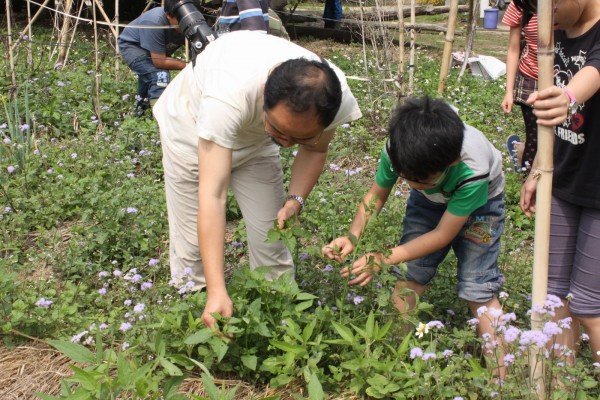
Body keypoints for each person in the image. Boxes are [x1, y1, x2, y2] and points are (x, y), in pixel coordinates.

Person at [153, 31, 362, 329]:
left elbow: (315, 148)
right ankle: (199, 311)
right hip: (190, 133)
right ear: (265, 93)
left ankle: (279, 321)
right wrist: (217, 290)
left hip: (257, 141)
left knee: (271, 236)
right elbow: (213, 196)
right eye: (281, 131)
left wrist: (294, 201)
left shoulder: (333, 96)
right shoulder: (228, 93)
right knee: (192, 252)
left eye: (297, 137)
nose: (287, 144)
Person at [323, 97, 506, 373]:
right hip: (428, 202)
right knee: (409, 276)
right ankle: (396, 362)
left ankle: (501, 377)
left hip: (482, 205)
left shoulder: (472, 170)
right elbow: (376, 195)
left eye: (420, 180)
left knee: (478, 287)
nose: (411, 184)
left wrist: (383, 258)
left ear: (452, 161)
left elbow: (443, 234)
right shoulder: (399, 149)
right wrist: (352, 235)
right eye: (406, 177)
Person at [520, 0, 600, 364]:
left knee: (588, 306)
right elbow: (554, 123)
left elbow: (594, 71)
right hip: (564, 181)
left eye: (549, 6)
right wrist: (537, 171)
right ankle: (564, 383)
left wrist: (567, 97)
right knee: (553, 297)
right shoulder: (559, 33)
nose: (543, 19)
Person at [118, 0, 187, 115]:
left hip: (155, 50)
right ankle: (160, 121)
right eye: (180, 19)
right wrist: (187, 65)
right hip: (133, 46)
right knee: (160, 76)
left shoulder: (190, 20)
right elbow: (159, 62)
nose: (184, 22)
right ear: (168, 16)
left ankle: (141, 115)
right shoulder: (154, 21)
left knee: (148, 80)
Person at [501, 0, 538, 173]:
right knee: (535, 136)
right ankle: (528, 182)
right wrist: (509, 92)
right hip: (531, 76)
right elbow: (513, 47)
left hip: (564, 75)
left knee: (564, 137)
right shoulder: (519, 4)